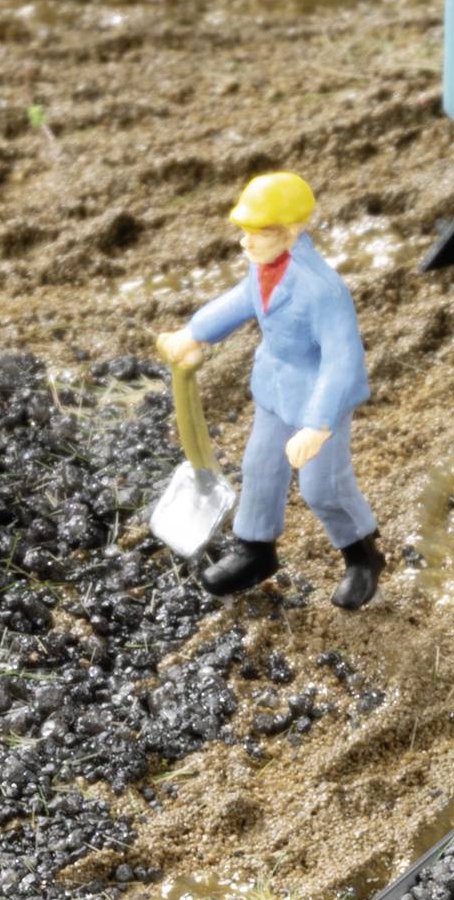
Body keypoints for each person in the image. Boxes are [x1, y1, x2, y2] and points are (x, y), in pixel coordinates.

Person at [154, 172, 385, 610]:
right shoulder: (263, 268)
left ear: (291, 231)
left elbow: (342, 360)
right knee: (260, 468)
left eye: (258, 233)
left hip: (319, 400)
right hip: (276, 390)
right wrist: (194, 333)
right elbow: (242, 299)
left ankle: (363, 556)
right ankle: (256, 552)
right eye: (245, 231)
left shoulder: (323, 291)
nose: (246, 242)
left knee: (322, 487)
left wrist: (318, 426)